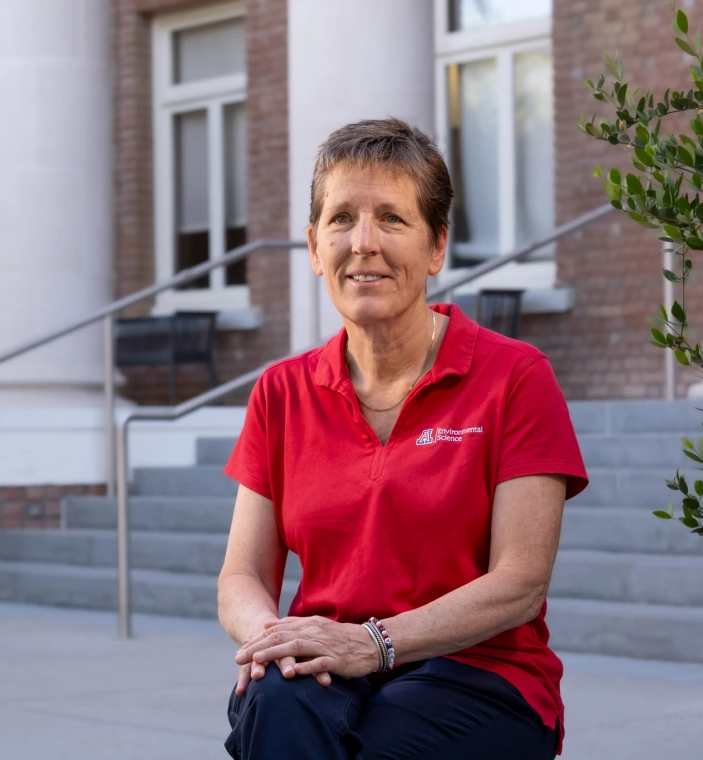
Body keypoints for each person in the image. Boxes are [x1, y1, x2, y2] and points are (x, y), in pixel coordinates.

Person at [217, 118, 587, 759]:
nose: (363, 243)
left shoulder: (515, 377)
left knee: (378, 745)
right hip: (327, 661)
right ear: (313, 246)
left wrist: (374, 644)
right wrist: (273, 637)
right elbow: (242, 576)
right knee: (276, 702)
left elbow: (522, 581)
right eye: (341, 219)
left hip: (477, 670)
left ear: (437, 245)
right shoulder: (280, 392)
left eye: (391, 218)